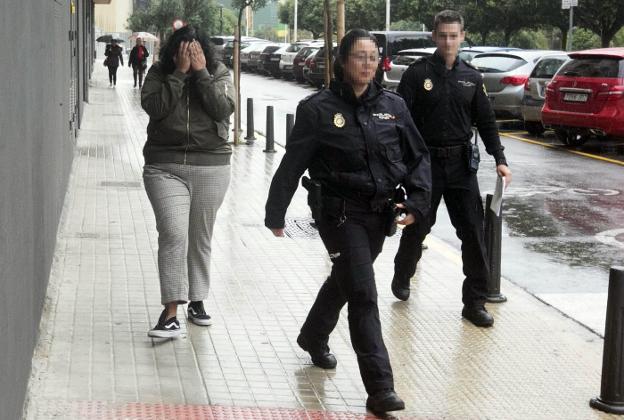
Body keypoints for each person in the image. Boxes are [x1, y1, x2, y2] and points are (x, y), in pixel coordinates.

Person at [265, 29, 431, 415]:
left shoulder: (394, 105)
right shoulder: (318, 109)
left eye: (373, 57)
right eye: (360, 56)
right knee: (363, 293)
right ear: (342, 61)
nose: (368, 64)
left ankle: (312, 335)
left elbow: (418, 157)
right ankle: (380, 388)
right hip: (338, 214)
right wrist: (276, 213)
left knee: (348, 279)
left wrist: (418, 202)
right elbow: (294, 163)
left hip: (379, 213)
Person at [391, 10, 512, 328]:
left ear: (462, 36)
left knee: (474, 234)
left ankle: (474, 303)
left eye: (453, 35)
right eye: (442, 35)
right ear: (434, 36)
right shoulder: (417, 74)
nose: (447, 41)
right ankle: (402, 273)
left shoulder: (472, 77)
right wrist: (399, 165)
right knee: (418, 227)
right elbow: (400, 122)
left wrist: (499, 159)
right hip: (424, 165)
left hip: (460, 166)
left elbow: (485, 121)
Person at [140, 26, 234, 339]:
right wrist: (179, 74)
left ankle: (197, 299)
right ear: (173, 52)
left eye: (195, 51)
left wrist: (202, 72)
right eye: (183, 51)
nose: (189, 56)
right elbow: (154, 108)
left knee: (200, 236)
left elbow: (222, 108)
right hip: (164, 165)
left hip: (211, 165)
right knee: (173, 233)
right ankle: (170, 313)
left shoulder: (219, 72)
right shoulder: (159, 72)